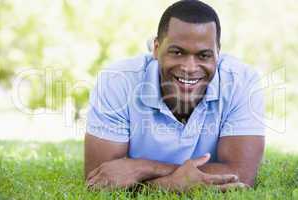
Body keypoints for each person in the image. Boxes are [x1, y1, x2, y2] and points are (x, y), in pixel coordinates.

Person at [84, 0, 265, 192]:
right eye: (177, 52)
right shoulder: (117, 81)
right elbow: (99, 179)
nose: (189, 67)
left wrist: (142, 168)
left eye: (203, 55)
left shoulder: (242, 81)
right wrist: (176, 178)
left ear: (218, 54)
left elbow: (241, 175)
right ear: (156, 48)